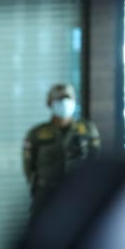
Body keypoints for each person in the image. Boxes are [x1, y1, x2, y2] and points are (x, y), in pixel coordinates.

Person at [21, 82, 100, 214]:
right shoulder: (37, 133)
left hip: (79, 195)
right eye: (59, 98)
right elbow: (29, 168)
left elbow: (96, 160)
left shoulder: (87, 129)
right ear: (49, 103)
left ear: (74, 101)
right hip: (46, 196)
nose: (64, 101)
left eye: (68, 97)